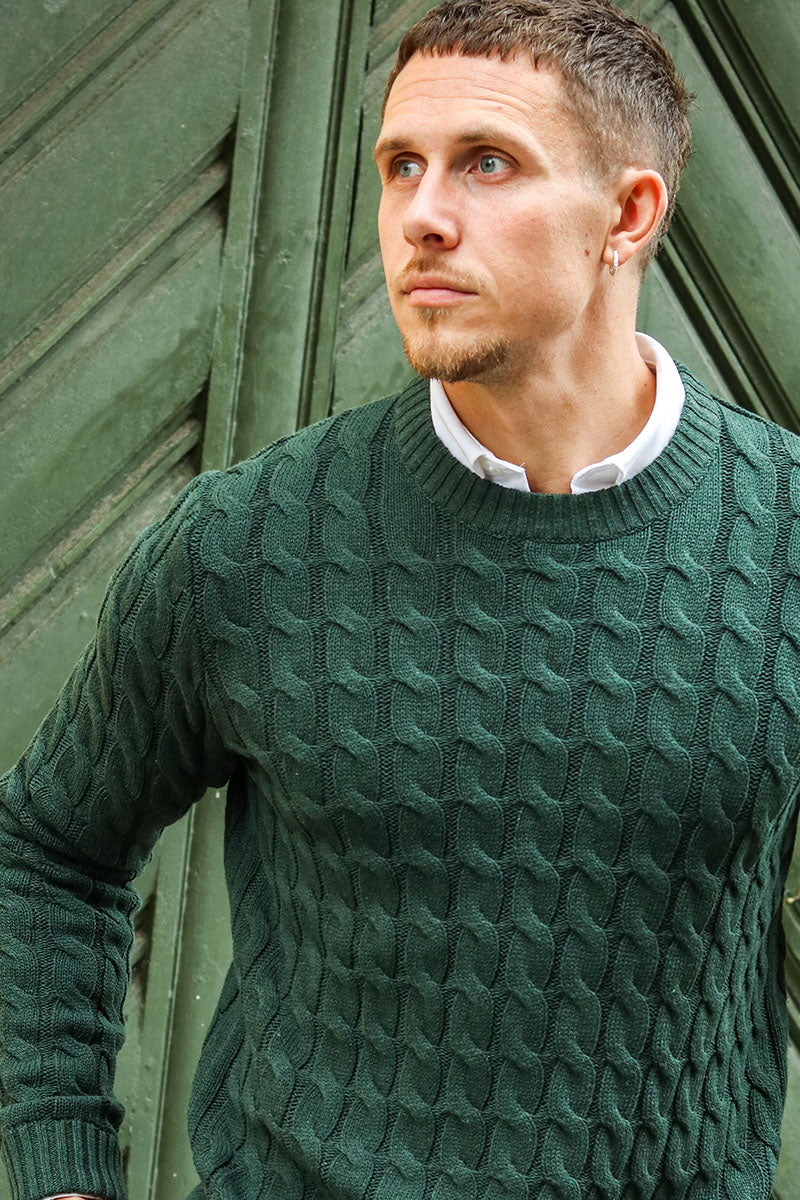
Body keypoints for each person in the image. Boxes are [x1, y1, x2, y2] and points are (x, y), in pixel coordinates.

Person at [0, 0, 796, 1197]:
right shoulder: (247, 544)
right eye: (400, 165)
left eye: (486, 163)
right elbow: (48, 846)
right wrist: (63, 1173)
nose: (421, 214)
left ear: (626, 216)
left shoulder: (782, 535)